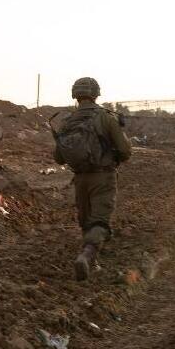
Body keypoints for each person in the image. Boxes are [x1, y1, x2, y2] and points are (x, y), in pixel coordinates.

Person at [53, 77, 132, 280]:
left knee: (86, 220)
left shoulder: (68, 121)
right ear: (96, 94)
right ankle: (86, 257)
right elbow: (125, 150)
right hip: (103, 177)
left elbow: (58, 157)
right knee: (100, 222)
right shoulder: (106, 117)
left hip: (80, 179)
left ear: (75, 95)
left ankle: (91, 260)